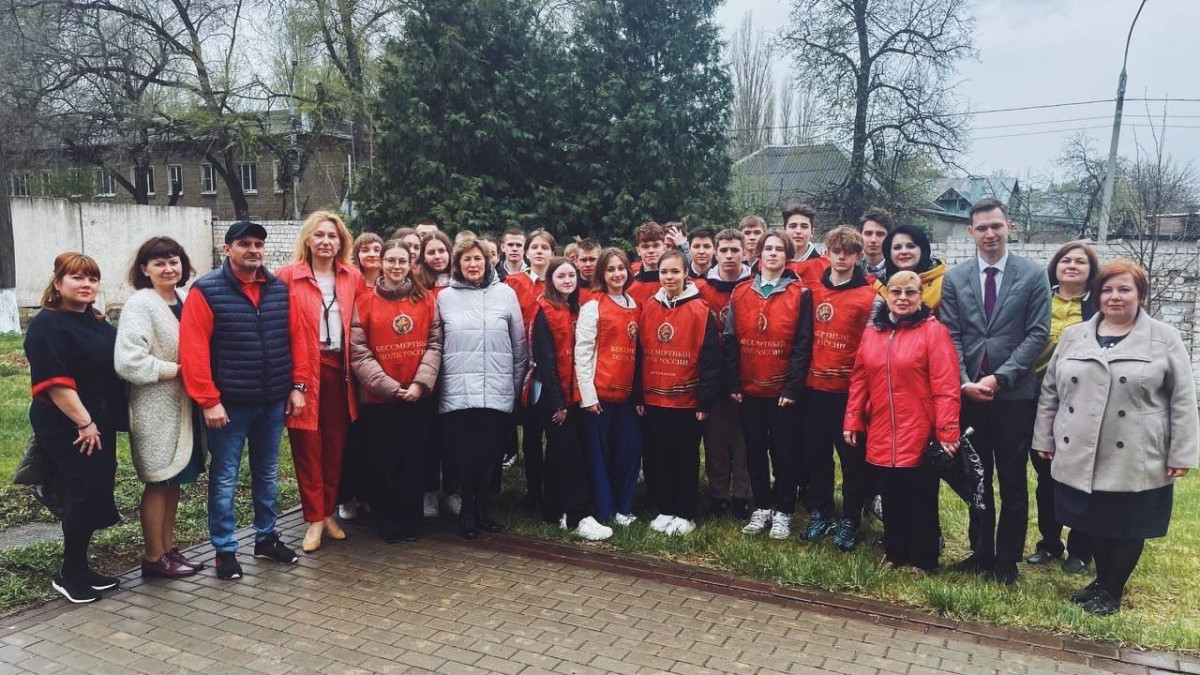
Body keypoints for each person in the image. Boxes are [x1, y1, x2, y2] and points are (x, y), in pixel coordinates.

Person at [1034, 260, 1197, 615]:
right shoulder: (1074, 335)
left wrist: (1181, 453)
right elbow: (1050, 393)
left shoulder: (1163, 338)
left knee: (1126, 525)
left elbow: (1183, 398)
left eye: (1124, 289)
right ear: (1097, 295)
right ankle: (1100, 581)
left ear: (1140, 295)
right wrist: (1044, 437)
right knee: (1092, 521)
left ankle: (1112, 590)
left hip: (1136, 452)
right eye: (1107, 289)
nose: (1114, 297)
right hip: (1081, 449)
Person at [939, 198, 1050, 585]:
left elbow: (1037, 334)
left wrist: (1000, 378)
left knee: (1012, 478)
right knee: (977, 475)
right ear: (971, 232)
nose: (990, 234)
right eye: (982, 228)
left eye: (996, 226)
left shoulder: (1033, 275)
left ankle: (1007, 559)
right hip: (970, 395)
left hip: (1014, 396)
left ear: (1009, 227)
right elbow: (951, 334)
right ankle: (981, 551)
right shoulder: (955, 278)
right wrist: (965, 381)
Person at [180, 222, 300, 580]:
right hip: (229, 406)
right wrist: (208, 400)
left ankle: (266, 539)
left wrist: (297, 386)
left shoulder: (279, 289)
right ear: (226, 249)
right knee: (225, 477)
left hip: (272, 401)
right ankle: (225, 550)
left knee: (267, 473)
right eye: (244, 243)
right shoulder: (206, 291)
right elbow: (194, 350)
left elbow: (294, 339)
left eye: (258, 244)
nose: (253, 250)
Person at [844, 271, 961, 574]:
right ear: (887, 296)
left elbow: (946, 385)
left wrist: (947, 431)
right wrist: (853, 419)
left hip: (919, 430)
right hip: (882, 428)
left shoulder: (934, 332)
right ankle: (895, 552)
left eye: (910, 292)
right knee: (891, 494)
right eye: (896, 292)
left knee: (920, 496)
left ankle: (923, 559)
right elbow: (859, 379)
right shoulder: (873, 333)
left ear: (920, 296)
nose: (903, 298)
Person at [25, 253, 125, 602]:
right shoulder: (47, 325)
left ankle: (81, 569)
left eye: (92, 279)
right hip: (69, 425)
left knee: (94, 491)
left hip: (97, 422)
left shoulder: (94, 321)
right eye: (77, 278)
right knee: (81, 493)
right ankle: (69, 575)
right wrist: (85, 423)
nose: (86, 285)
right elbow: (55, 383)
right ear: (58, 283)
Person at [115, 237, 205, 579]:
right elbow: (128, 362)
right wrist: (177, 370)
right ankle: (154, 556)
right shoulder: (141, 304)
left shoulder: (185, 298)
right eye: (159, 263)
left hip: (184, 407)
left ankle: (168, 549)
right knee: (158, 480)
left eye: (174, 261)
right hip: (155, 408)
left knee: (174, 480)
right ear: (145, 269)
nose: (168, 268)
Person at [276, 211, 364, 553]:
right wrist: (290, 383)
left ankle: (328, 512)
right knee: (307, 446)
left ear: (341, 242)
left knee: (335, 446)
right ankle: (314, 518)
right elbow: (279, 330)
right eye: (320, 235)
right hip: (304, 372)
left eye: (333, 236)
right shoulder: (288, 277)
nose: (326, 241)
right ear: (308, 240)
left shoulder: (352, 277)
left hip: (340, 371)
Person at [349, 240, 442, 543]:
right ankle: (387, 522)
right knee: (383, 461)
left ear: (411, 264)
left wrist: (418, 384)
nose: (396, 266)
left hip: (418, 396)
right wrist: (390, 388)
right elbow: (359, 352)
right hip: (379, 399)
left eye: (402, 261)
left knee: (413, 459)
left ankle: (411, 520)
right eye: (390, 260)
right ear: (381, 263)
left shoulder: (426, 299)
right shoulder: (363, 302)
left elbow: (435, 344)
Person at [437, 237, 528, 539]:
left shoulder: (506, 294)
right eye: (467, 259)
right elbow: (437, 345)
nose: (473, 264)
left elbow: (519, 345)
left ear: (488, 262)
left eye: (478, 258)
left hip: (496, 388)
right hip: (459, 389)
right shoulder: (444, 297)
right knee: (465, 455)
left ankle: (483, 508)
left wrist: (514, 387)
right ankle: (466, 510)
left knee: (490, 454)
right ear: (457, 264)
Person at [724, 231, 813, 539]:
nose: (773, 253)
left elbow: (803, 344)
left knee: (785, 451)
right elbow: (730, 339)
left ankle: (784, 510)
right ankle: (762, 506)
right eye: (768, 248)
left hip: (782, 391)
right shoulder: (740, 292)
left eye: (779, 249)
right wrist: (733, 382)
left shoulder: (800, 293)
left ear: (787, 256)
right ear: (759, 254)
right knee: (754, 450)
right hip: (749, 388)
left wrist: (792, 387)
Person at [802, 227, 877, 551]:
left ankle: (850, 518)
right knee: (817, 455)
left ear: (858, 256)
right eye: (836, 251)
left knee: (852, 460)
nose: (842, 256)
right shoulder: (812, 291)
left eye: (849, 252)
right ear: (828, 253)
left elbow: (872, 349)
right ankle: (821, 512)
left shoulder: (870, 297)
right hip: (814, 388)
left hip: (849, 392)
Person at [1027, 241, 1099, 573]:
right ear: (1055, 266)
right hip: (1036, 398)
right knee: (1046, 475)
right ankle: (1049, 543)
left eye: (1080, 262)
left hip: (1081, 403)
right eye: (1065, 260)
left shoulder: (1098, 307)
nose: (1071, 265)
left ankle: (1081, 549)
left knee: (1081, 476)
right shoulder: (1039, 299)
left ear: (1091, 270)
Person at [531, 257, 614, 541]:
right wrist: (559, 403)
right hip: (554, 396)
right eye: (561, 276)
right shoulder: (544, 309)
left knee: (558, 453)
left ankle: (554, 511)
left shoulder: (576, 308)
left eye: (571, 275)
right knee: (570, 454)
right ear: (551, 280)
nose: (567, 281)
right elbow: (546, 361)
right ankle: (580, 515)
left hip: (574, 392)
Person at [639, 250, 721, 536]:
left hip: (687, 401)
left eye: (675, 271)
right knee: (661, 456)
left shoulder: (701, 309)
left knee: (685, 457)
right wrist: (639, 396)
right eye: (664, 272)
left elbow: (710, 359)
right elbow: (641, 352)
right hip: (655, 397)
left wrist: (704, 400)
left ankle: (686, 513)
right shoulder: (650, 306)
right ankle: (666, 508)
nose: (669, 277)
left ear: (686, 273)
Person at [576, 248, 642, 526]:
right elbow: (582, 353)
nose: (617, 274)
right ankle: (605, 511)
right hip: (600, 394)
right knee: (599, 456)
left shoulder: (635, 306)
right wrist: (588, 397)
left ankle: (623, 508)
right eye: (610, 269)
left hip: (626, 396)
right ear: (602, 274)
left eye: (621, 268)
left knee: (629, 449)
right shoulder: (593, 306)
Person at [695, 229, 752, 519]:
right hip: (713, 376)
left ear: (745, 252)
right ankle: (718, 495)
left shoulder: (754, 285)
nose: (730, 256)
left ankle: (742, 495)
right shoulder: (701, 288)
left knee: (743, 440)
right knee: (715, 440)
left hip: (746, 374)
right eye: (724, 250)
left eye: (735, 250)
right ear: (716, 253)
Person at [507, 229, 555, 516]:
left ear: (552, 252)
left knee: (555, 431)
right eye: (534, 247)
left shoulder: (561, 280)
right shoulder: (514, 282)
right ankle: (533, 488)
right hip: (526, 366)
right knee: (532, 431)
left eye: (544, 247)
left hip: (554, 368)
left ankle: (553, 488)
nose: (539, 251)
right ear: (526, 253)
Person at [340, 231, 384, 522]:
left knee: (374, 440)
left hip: (383, 371)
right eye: (365, 249)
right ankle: (347, 496)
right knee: (352, 438)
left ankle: (369, 494)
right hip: (353, 370)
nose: (372, 254)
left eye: (376, 249)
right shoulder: (352, 285)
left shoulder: (388, 284)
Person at [875, 225, 947, 314]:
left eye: (911, 246)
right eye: (897, 247)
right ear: (889, 254)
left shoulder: (945, 284)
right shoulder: (878, 284)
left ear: (922, 250)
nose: (904, 252)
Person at [628, 222, 666, 304]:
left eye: (656, 245)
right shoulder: (629, 286)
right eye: (645, 247)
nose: (651, 251)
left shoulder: (675, 282)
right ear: (638, 250)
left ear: (664, 247)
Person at [858, 207, 894, 281]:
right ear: (860, 235)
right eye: (868, 233)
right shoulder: (850, 270)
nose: (873, 240)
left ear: (889, 237)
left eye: (880, 234)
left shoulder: (898, 271)